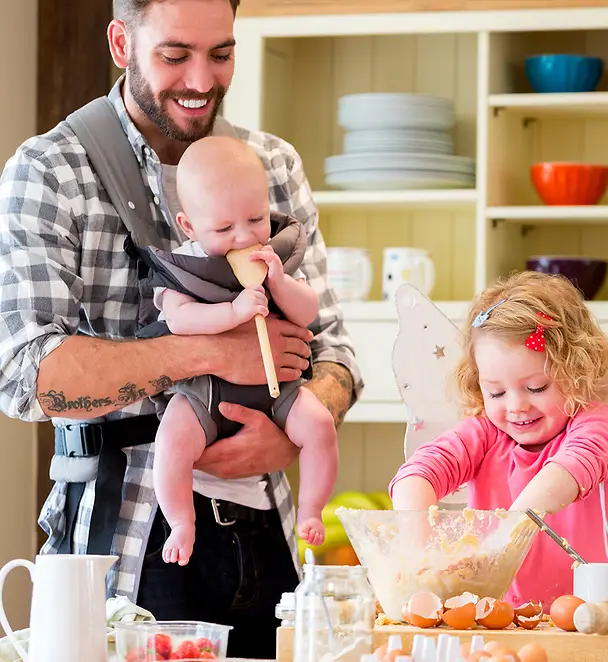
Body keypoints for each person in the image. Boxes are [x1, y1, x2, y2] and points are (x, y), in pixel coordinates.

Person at [0, 0, 362, 657]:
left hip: (267, 531)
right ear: (120, 42)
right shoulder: (49, 170)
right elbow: (25, 377)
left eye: (220, 54)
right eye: (174, 56)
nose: (201, 79)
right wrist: (213, 350)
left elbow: (337, 356)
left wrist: (288, 435)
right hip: (120, 546)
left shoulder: (272, 163)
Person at [148, 136, 338, 566]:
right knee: (172, 442)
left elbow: (308, 312)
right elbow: (179, 321)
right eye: (223, 228)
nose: (243, 236)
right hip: (206, 394)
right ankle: (181, 520)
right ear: (189, 226)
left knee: (320, 426)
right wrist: (233, 312)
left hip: (278, 389)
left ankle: (311, 508)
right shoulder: (184, 266)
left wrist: (280, 284)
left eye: (255, 218)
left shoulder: (276, 256)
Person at [389, 271, 608, 608]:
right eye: (496, 391)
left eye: (536, 388)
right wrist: (419, 556)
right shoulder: (484, 433)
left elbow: (564, 475)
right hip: (496, 617)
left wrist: (501, 540)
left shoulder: (598, 425)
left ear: (576, 370)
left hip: (590, 617)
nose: (516, 406)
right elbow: (417, 474)